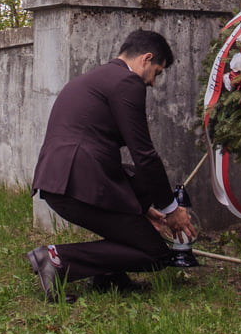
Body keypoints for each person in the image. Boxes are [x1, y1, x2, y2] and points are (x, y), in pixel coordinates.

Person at [25, 28, 200, 300]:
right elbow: (144, 155)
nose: (153, 82)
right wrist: (171, 209)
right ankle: (58, 260)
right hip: (78, 183)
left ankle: (108, 277)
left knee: (137, 184)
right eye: (158, 72)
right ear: (146, 58)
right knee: (155, 253)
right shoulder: (127, 82)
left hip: (61, 180)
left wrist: (143, 210)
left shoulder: (93, 79)